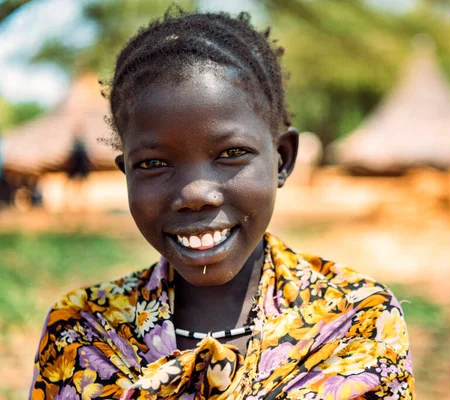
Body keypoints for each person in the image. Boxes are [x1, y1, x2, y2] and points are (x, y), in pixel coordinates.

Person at [30, 10, 414, 399]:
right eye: (153, 164)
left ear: (282, 159)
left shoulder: (355, 320)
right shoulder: (82, 332)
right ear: (126, 173)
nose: (196, 194)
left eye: (231, 153)